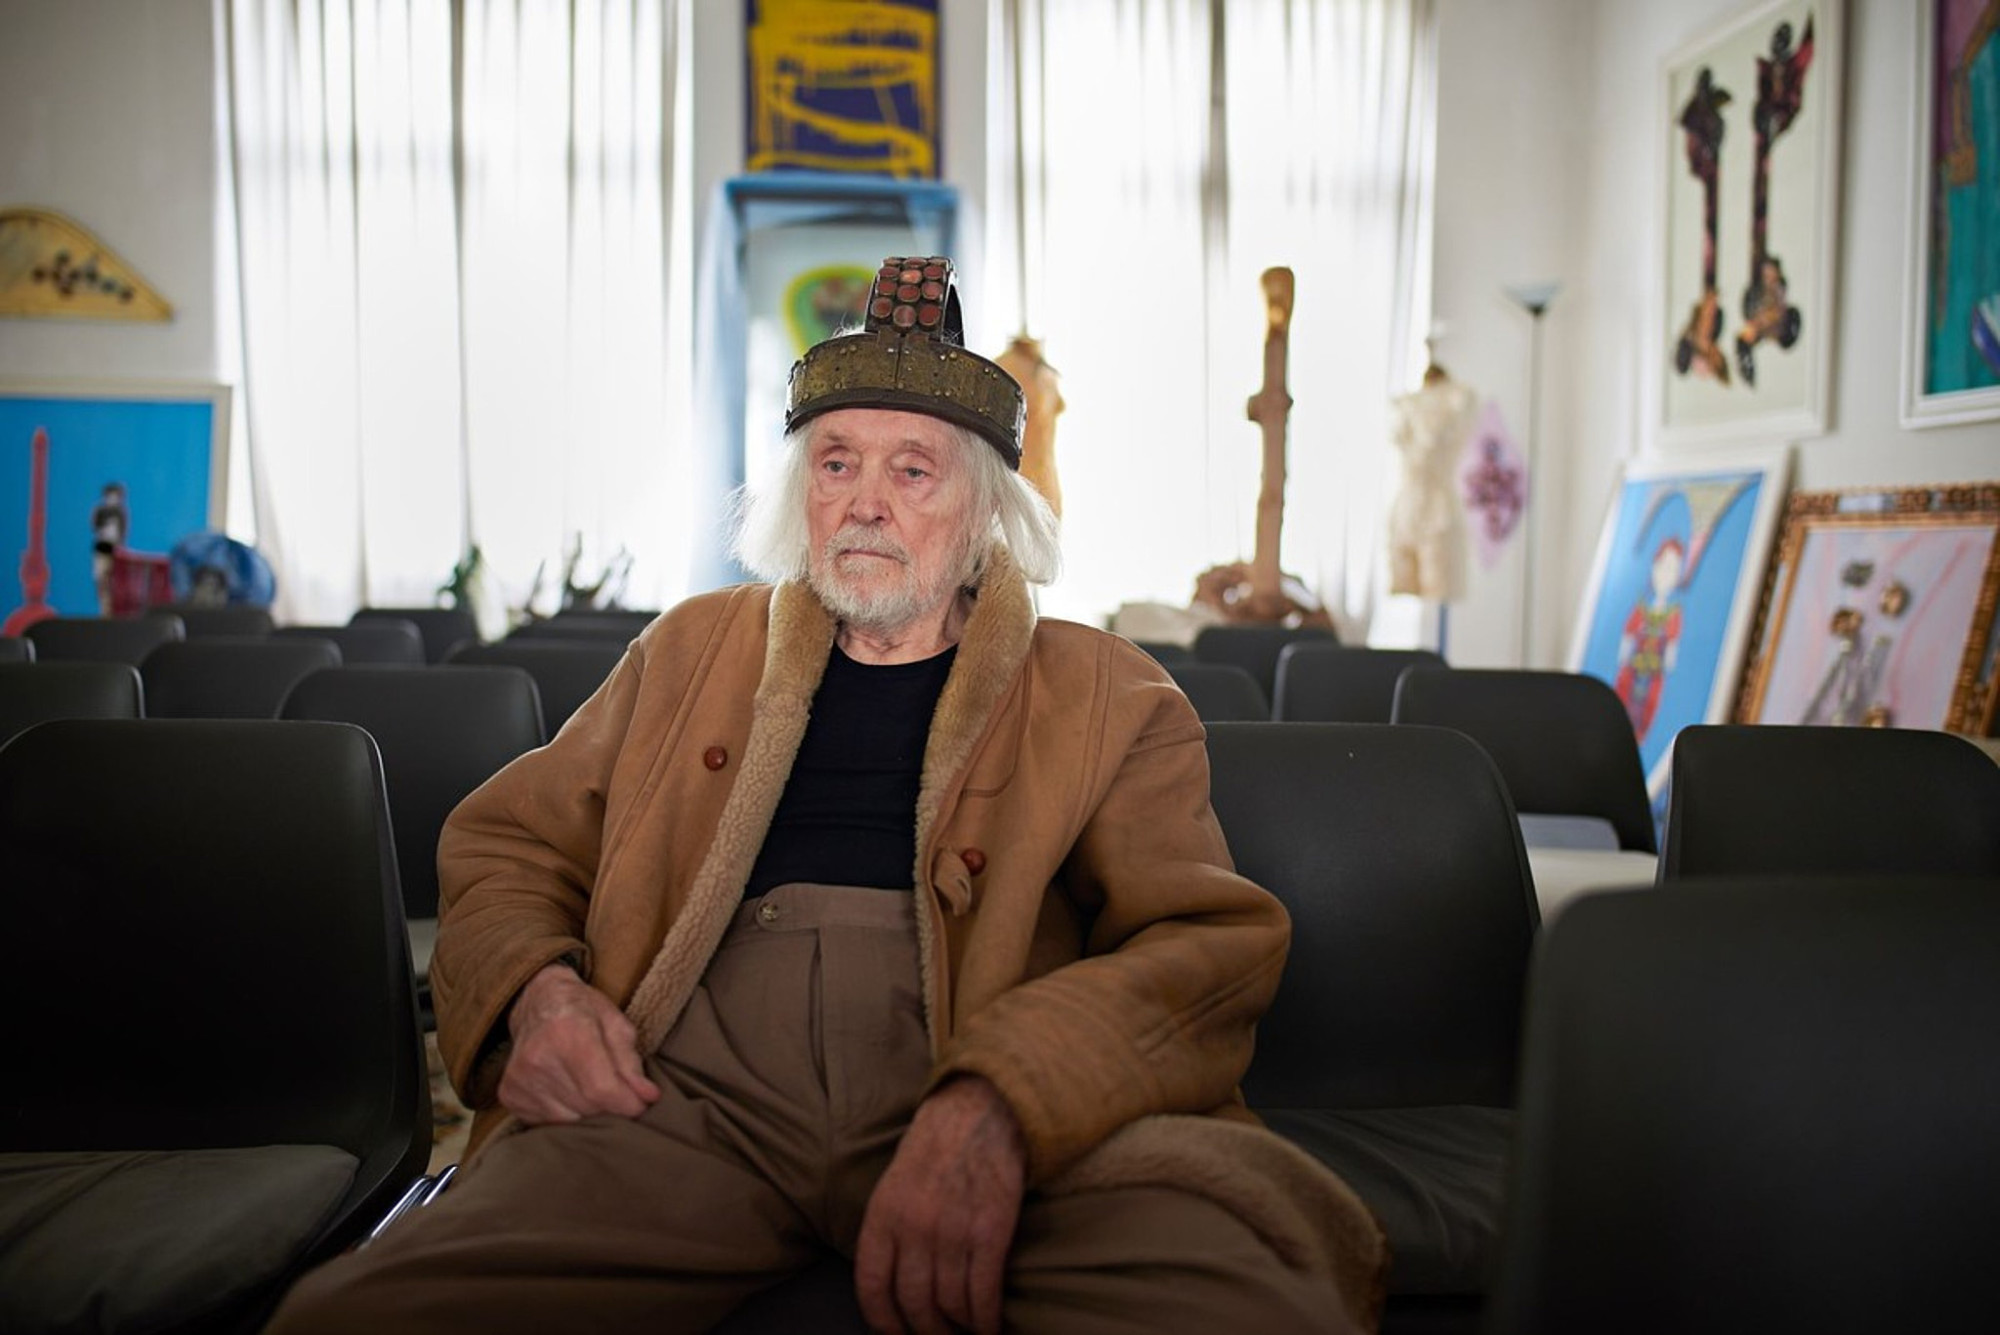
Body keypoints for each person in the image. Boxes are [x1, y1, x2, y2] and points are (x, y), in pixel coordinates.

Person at [266, 257, 1382, 1335]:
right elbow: (510, 846)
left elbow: (1200, 945)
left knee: (1252, 1307)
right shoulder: (690, 649)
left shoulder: (1108, 690)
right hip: (683, 1099)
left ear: (985, 511)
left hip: (993, 1085)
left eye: (913, 471)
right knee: (360, 1313)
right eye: (836, 464)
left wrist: (1006, 1100)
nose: (864, 506)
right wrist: (539, 998)